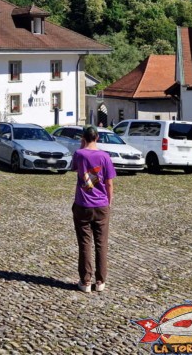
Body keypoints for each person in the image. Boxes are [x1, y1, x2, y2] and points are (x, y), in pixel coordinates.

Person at [71, 125, 116, 293]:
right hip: (101, 204)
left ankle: (85, 280)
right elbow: (109, 182)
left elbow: (74, 168)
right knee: (101, 243)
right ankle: (100, 281)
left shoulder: (79, 154)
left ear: (83, 138)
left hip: (82, 204)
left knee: (84, 243)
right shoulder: (105, 156)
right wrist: (108, 202)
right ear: (97, 138)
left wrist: (83, 147)